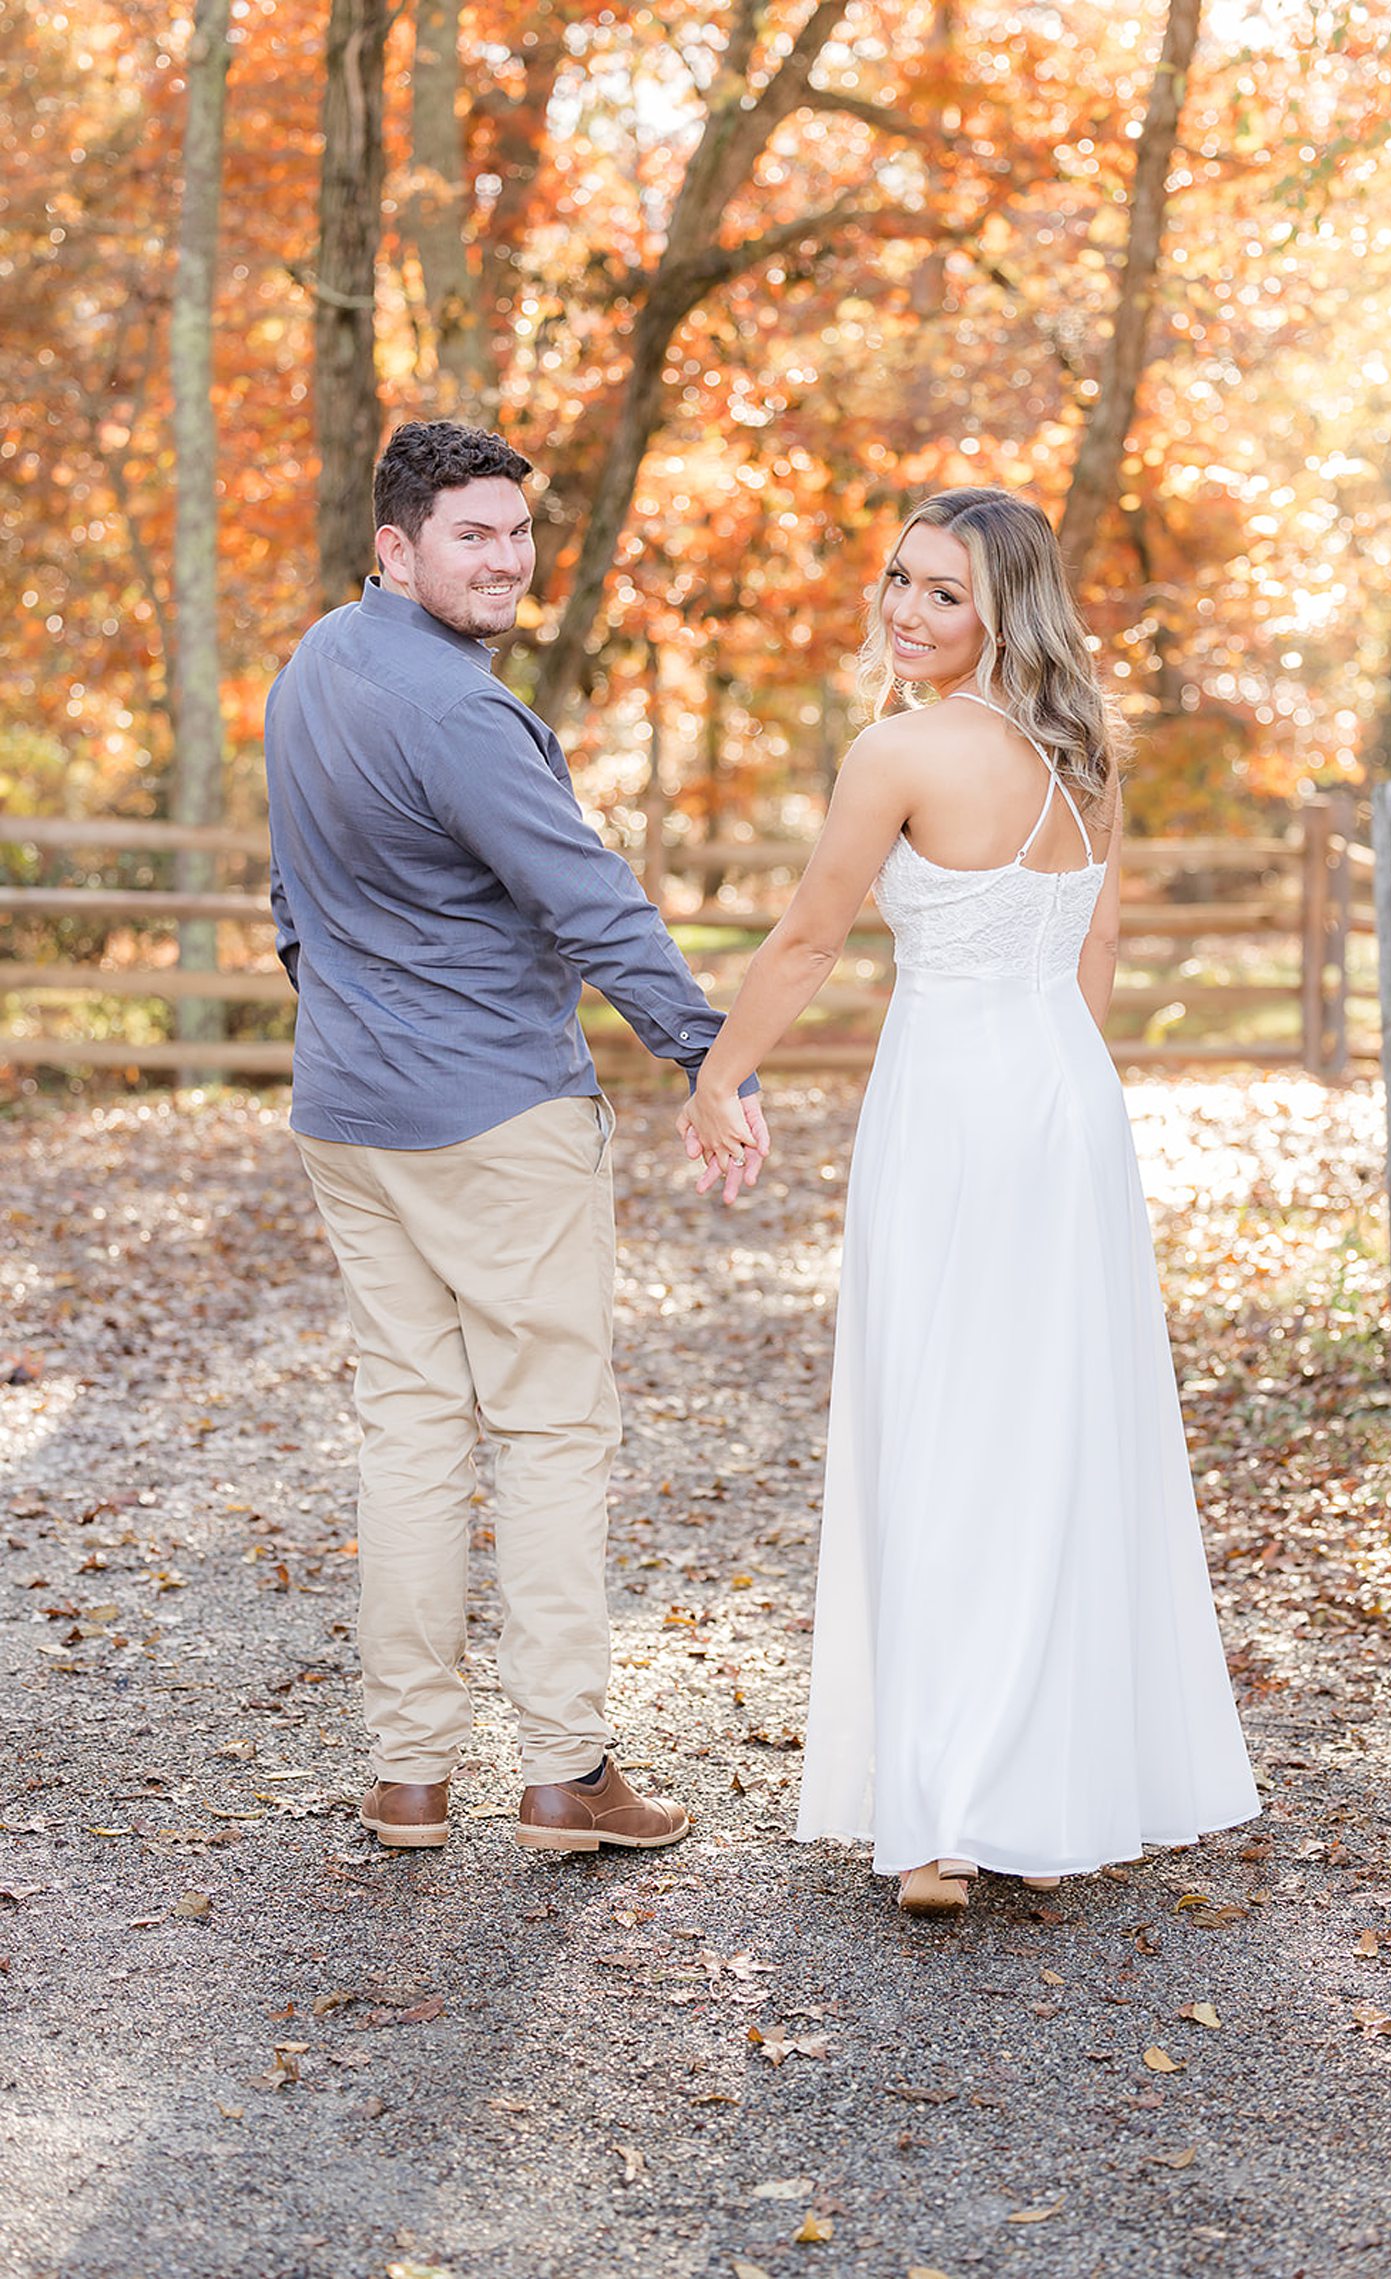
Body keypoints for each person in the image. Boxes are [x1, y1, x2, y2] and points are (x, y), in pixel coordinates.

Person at [681, 486, 1261, 1914]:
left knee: (944, 1423)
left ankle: (941, 1820)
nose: (906, 609)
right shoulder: (1082, 752)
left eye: (944, 591)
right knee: (1053, 1426)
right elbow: (1100, 938)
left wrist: (719, 1077)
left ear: (1005, 608)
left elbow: (814, 932)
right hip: (1067, 1100)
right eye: (898, 578)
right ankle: (1049, 1782)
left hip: (952, 1103)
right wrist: (1064, 1091)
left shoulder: (899, 750)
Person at [264, 419, 765, 1856]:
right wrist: (705, 1057)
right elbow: (588, 898)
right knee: (549, 1430)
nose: (506, 559)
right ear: (397, 545)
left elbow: (294, 903)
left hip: (349, 1112)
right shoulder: (460, 712)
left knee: (413, 1430)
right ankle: (562, 1772)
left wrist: (356, 1018)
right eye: (471, 535)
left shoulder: (313, 665)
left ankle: (410, 1777)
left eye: (517, 534)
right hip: (491, 1115)